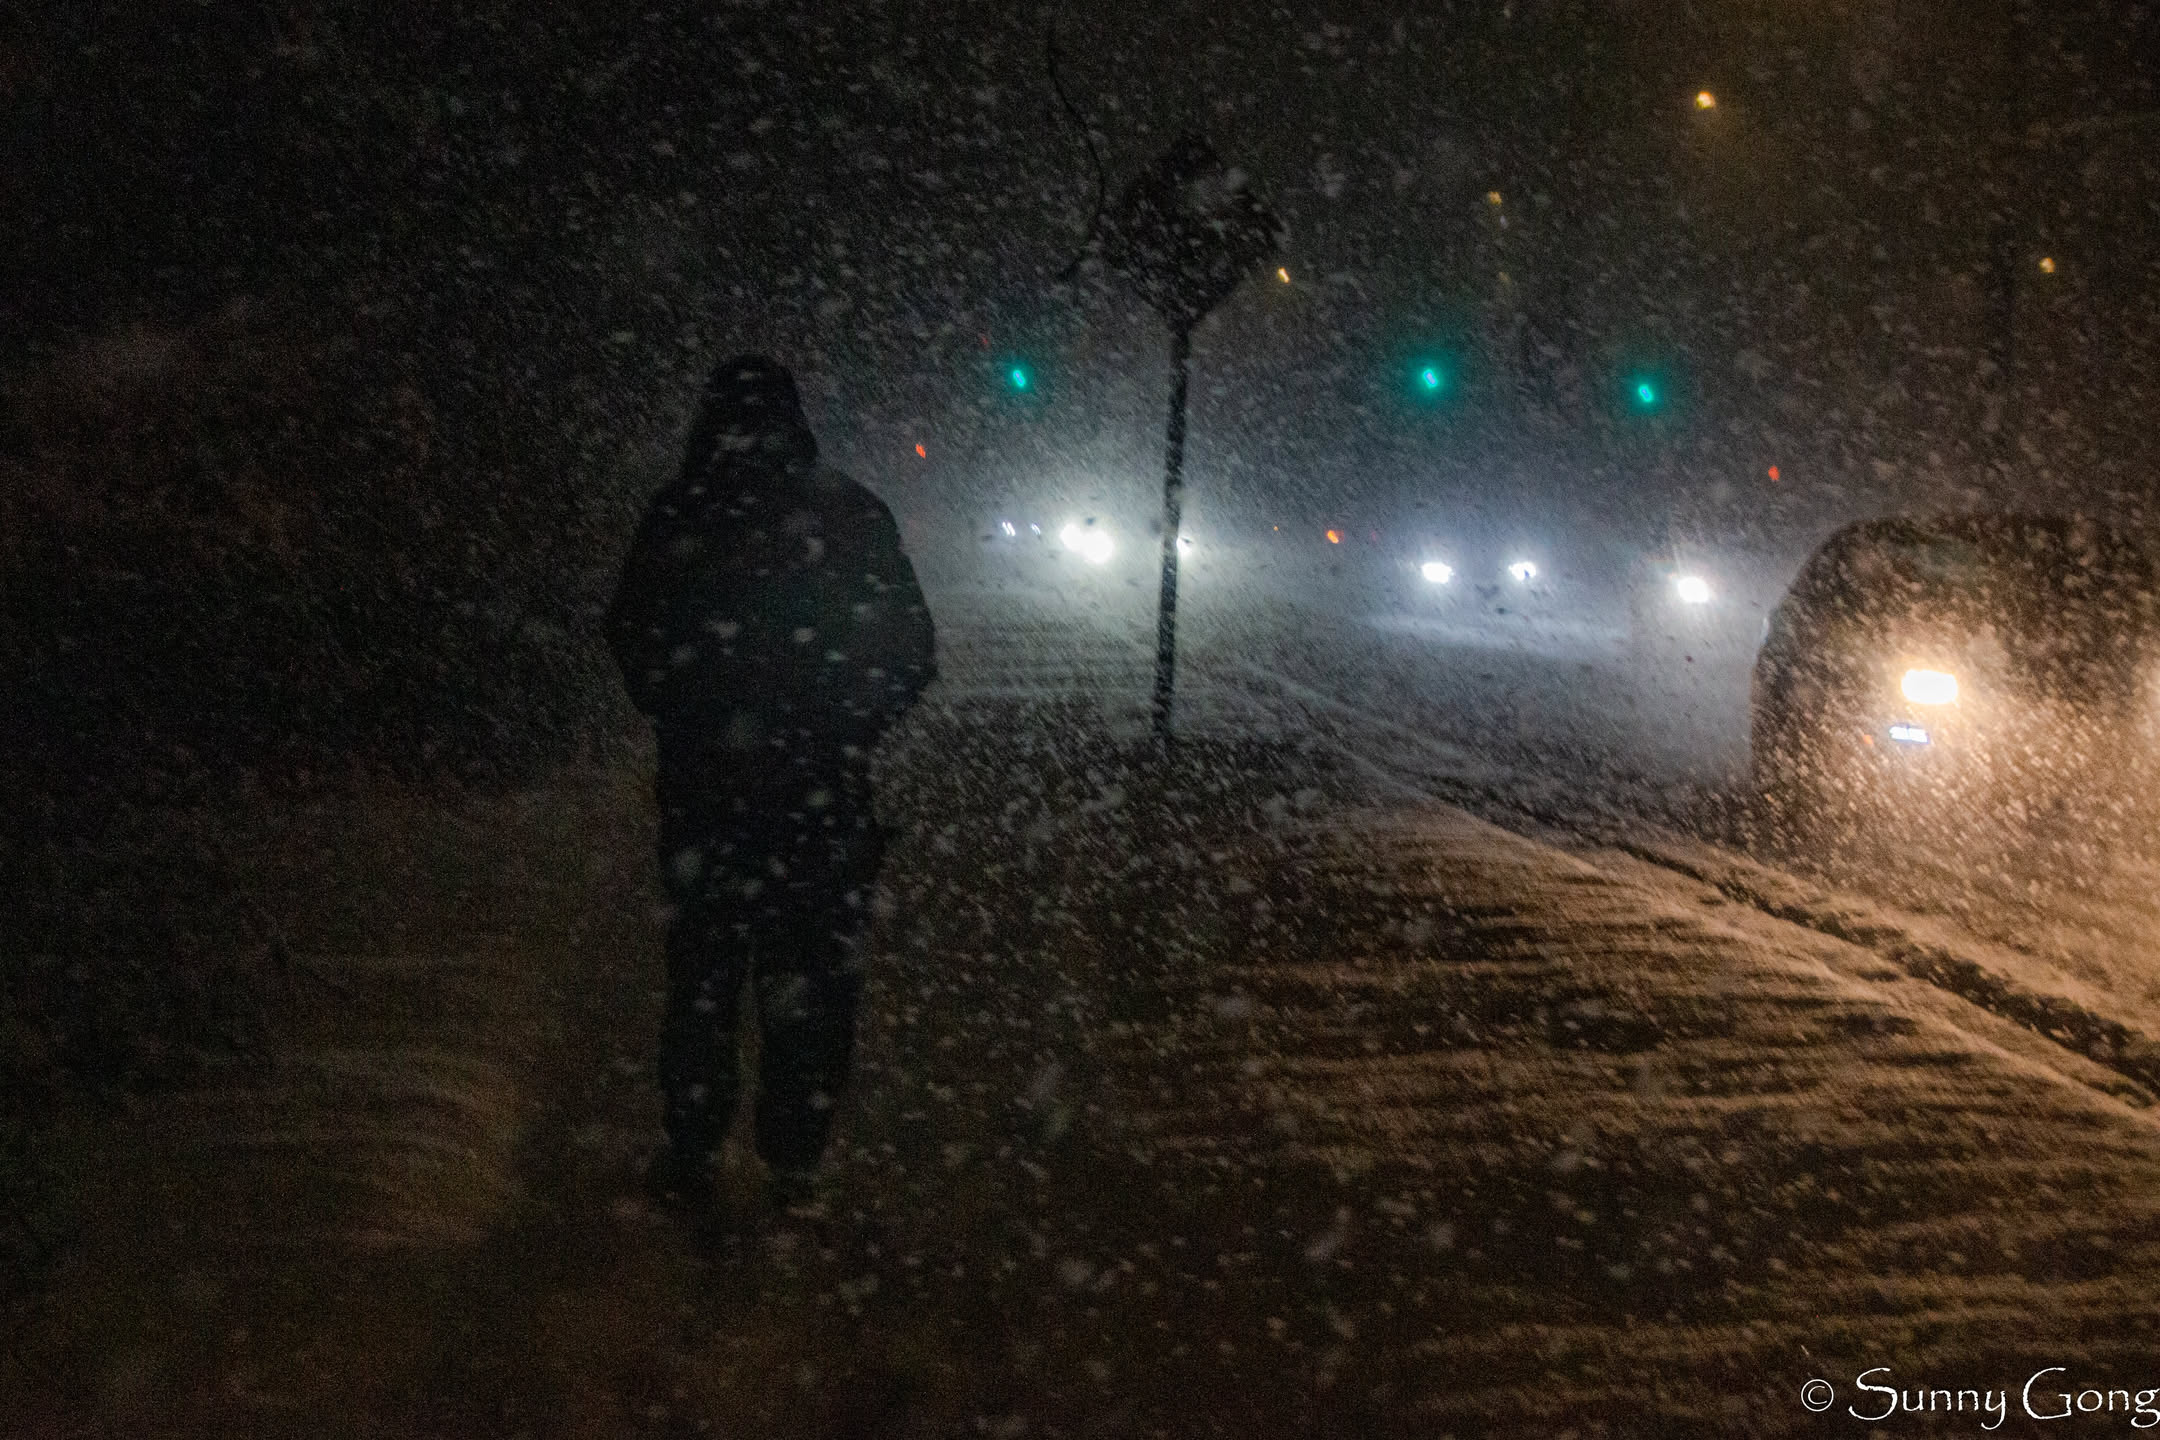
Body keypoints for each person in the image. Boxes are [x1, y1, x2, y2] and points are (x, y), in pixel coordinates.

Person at [606, 355, 936, 1213]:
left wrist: (687, 710)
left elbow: (633, 629)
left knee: (704, 977)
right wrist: (847, 723)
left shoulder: (682, 511)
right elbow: (908, 648)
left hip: (707, 793)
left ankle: (695, 1142)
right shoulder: (848, 513)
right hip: (818, 793)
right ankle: (793, 1157)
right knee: (810, 983)